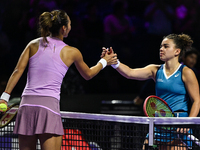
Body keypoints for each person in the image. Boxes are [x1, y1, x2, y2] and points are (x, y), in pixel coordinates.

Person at [0, 10, 117, 150]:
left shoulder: (33, 44)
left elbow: (17, 71)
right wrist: (104, 61)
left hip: (26, 107)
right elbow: (88, 74)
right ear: (64, 28)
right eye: (70, 24)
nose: (71, 27)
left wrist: (4, 97)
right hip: (48, 108)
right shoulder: (72, 52)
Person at [102, 33, 200, 149]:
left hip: (178, 126)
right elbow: (130, 73)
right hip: (159, 124)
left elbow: (196, 101)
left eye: (166, 46)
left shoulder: (186, 72)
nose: (161, 49)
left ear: (177, 51)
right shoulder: (155, 70)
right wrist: (115, 62)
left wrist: (187, 124)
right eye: (161, 46)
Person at [133, 47, 200, 106]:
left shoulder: (194, 72)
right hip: (165, 107)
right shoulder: (167, 69)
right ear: (183, 57)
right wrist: (141, 96)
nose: (193, 61)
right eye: (191, 57)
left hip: (186, 107)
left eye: (195, 58)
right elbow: (150, 83)